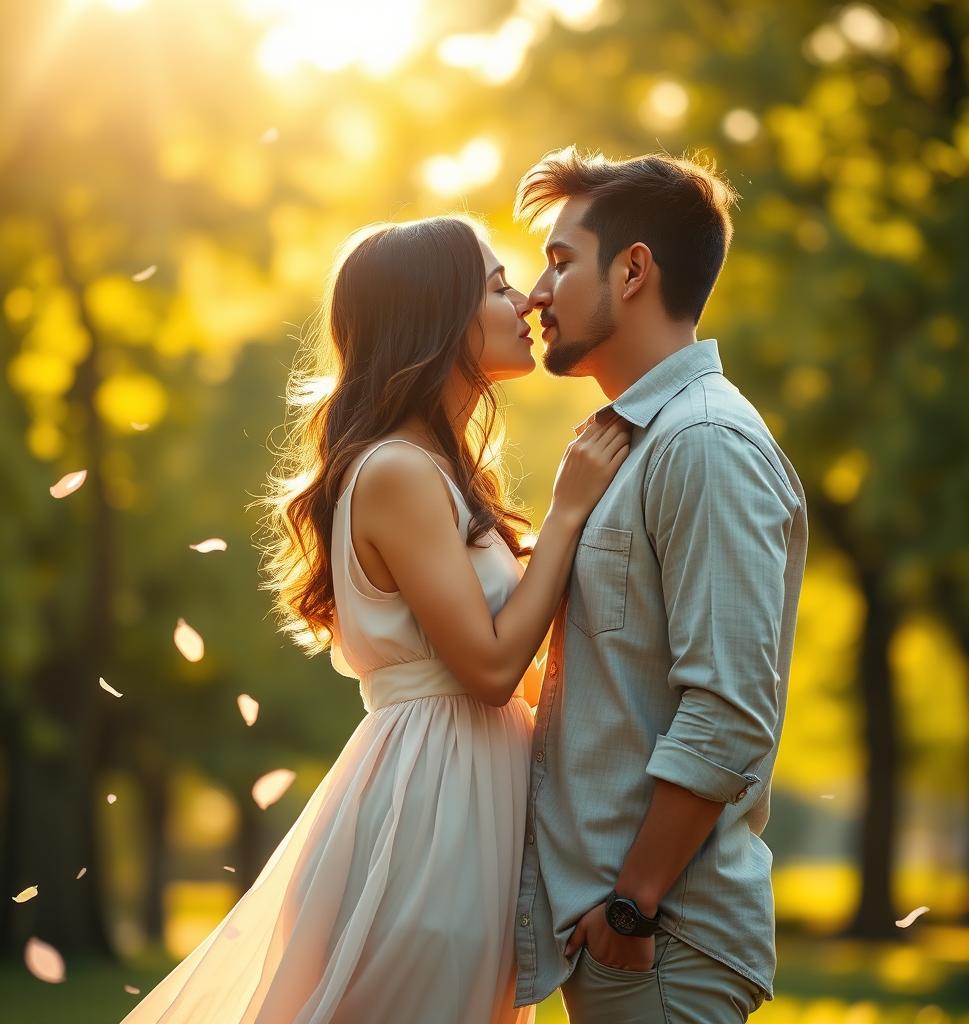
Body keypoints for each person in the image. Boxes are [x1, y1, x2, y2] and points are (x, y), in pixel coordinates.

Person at [120, 215, 630, 1024]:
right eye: (498, 287)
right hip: (432, 815)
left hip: (471, 797)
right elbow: (493, 671)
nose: (526, 302)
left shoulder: (437, 470)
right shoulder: (396, 469)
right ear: (438, 317)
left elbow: (526, 664)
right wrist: (567, 515)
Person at [511, 148, 808, 1023]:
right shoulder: (637, 447)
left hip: (664, 938)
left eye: (561, 260)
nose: (536, 291)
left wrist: (633, 905)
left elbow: (727, 709)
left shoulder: (705, 445)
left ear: (634, 269)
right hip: (626, 940)